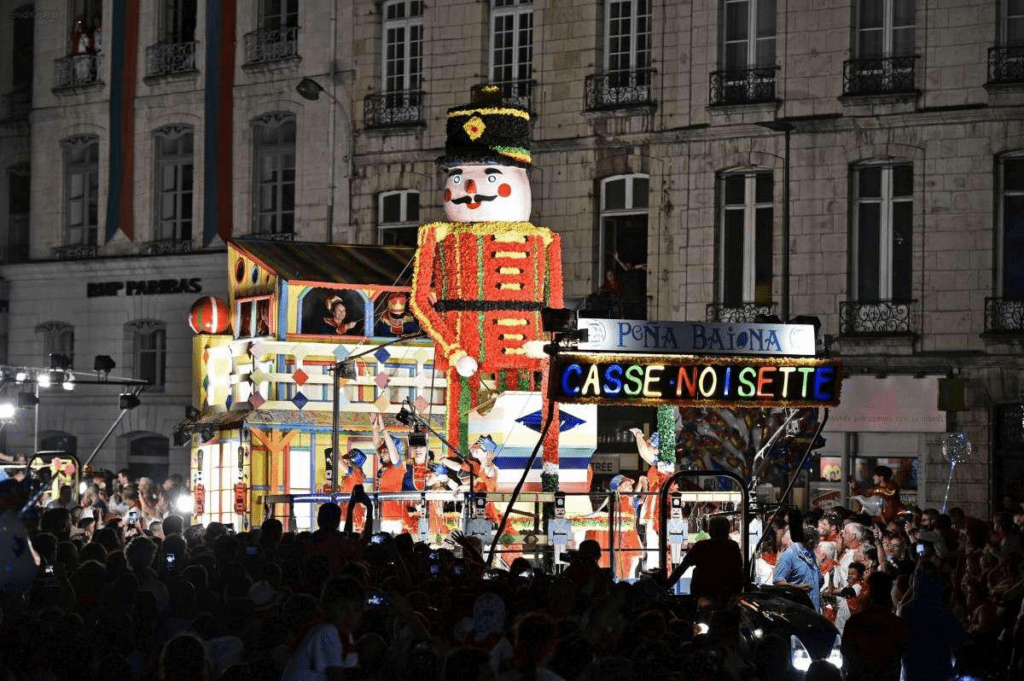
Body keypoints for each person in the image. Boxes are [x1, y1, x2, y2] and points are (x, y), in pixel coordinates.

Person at [667, 515, 744, 609]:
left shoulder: (701, 546)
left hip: (704, 594)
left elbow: (682, 568)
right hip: (727, 595)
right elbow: (739, 571)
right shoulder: (733, 547)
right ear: (727, 531)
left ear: (711, 531)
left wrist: (667, 585)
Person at [774, 510, 823, 612]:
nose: (815, 548)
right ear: (810, 542)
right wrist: (796, 587)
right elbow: (778, 582)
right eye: (815, 545)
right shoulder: (789, 555)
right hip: (798, 612)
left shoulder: (810, 554)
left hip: (814, 611)